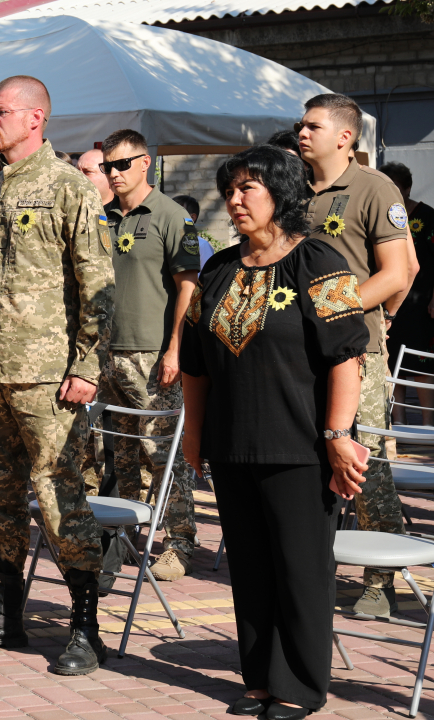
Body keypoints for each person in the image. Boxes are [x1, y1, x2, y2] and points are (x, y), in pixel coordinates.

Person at [181, 145, 369, 720]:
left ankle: (300, 687)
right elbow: (195, 363)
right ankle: (260, 677)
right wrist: (195, 436)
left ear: (280, 195)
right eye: (231, 188)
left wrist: (338, 435)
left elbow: (346, 358)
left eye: (249, 189)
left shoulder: (323, 261)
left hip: (302, 446)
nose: (235, 200)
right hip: (234, 443)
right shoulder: (217, 269)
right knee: (252, 567)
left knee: (300, 568)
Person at [0, 76, 115, 675]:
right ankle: (5, 613)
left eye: (1, 111)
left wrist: (87, 365)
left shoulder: (69, 187)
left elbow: (98, 285)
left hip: (47, 376)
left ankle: (85, 627)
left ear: (36, 117)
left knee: (59, 493)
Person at [299, 93, 413, 617]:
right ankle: (311, 562)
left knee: (364, 460)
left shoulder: (373, 187)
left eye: (313, 126)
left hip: (355, 350)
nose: (303, 133)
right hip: (297, 350)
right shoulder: (292, 190)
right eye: (300, 125)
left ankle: (380, 578)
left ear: (344, 136)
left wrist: (346, 311)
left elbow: (398, 271)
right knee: (307, 455)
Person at [99, 128, 200, 582]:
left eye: (122, 164)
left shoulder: (172, 216)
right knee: (120, 453)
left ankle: (179, 541)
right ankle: (123, 535)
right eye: (107, 167)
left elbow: (188, 287)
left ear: (145, 163)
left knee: (163, 454)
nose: (114, 174)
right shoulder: (102, 218)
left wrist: (175, 348)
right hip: (108, 352)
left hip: (152, 354)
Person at [380, 162, 434, 424]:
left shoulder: (428, 217)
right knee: (390, 361)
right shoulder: (381, 215)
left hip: (421, 303)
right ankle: (397, 422)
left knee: (419, 363)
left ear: (408, 188)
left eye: (395, 188)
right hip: (389, 302)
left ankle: (427, 424)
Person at [173, 195, 213, 266]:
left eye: (176, 213)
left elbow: (208, 275)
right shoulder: (164, 243)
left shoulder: (202, 245)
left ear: (192, 218)